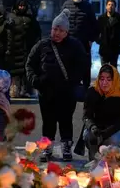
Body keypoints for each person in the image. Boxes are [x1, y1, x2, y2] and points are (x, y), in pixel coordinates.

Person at [26, 9, 88, 162]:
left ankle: (67, 147)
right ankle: (47, 148)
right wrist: (35, 81)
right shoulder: (42, 45)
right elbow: (29, 64)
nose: (57, 33)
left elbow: (84, 66)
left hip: (67, 92)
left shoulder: (75, 46)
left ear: (66, 32)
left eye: (61, 30)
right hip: (46, 92)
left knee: (66, 120)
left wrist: (75, 81)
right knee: (48, 121)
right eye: (55, 29)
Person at [74, 64, 120, 160]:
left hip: (115, 129)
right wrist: (92, 127)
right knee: (90, 137)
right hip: (96, 127)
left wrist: (105, 134)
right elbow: (86, 116)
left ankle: (114, 163)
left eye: (109, 79)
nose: (104, 83)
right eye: (102, 79)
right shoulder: (92, 92)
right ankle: (94, 161)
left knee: (113, 140)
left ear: (115, 80)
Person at [61, 0, 99, 88]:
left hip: (84, 42)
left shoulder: (88, 6)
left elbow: (94, 25)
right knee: (69, 64)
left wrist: (91, 39)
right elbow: (61, 22)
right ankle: (70, 85)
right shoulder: (66, 5)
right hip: (68, 41)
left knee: (85, 65)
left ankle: (86, 87)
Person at [9, 0, 42, 98]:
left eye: (23, 6)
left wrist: (36, 45)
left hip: (28, 47)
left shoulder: (30, 19)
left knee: (26, 70)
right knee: (15, 71)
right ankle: (14, 90)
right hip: (15, 48)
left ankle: (26, 90)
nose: (21, 7)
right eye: (20, 5)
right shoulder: (12, 17)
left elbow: (37, 32)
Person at [97, 0, 120, 67]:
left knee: (113, 69)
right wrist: (99, 41)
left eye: (112, 5)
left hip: (114, 47)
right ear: (106, 6)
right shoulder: (101, 18)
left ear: (115, 7)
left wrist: (119, 41)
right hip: (103, 47)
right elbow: (96, 31)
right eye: (109, 4)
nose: (110, 6)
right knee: (104, 68)